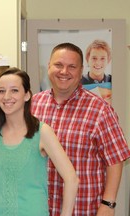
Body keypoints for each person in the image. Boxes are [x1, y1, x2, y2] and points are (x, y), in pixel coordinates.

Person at [31, 42, 130, 216]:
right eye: (58, 65)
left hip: (82, 209)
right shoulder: (32, 106)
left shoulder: (100, 109)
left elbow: (116, 158)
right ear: (49, 66)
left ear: (81, 70)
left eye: (72, 66)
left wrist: (108, 204)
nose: (64, 72)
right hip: (38, 208)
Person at [0, 67, 79, 216]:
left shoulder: (42, 132)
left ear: (27, 95)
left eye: (14, 90)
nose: (6, 97)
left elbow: (72, 179)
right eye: (1, 91)